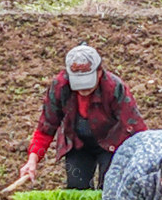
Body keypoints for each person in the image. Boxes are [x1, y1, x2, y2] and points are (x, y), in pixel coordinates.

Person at [21, 44, 147, 190]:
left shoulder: (114, 88)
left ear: (99, 72)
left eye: (87, 82)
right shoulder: (60, 87)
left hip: (112, 142)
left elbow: (135, 127)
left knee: (110, 187)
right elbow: (46, 127)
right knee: (77, 187)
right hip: (77, 143)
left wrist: (143, 159)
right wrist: (33, 160)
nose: (83, 89)